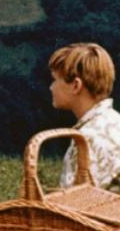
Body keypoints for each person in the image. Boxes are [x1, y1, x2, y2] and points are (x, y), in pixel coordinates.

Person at [49, 43, 120, 193]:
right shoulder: (115, 122)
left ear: (75, 86)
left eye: (55, 80)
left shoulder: (85, 140)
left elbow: (71, 207)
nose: (51, 87)